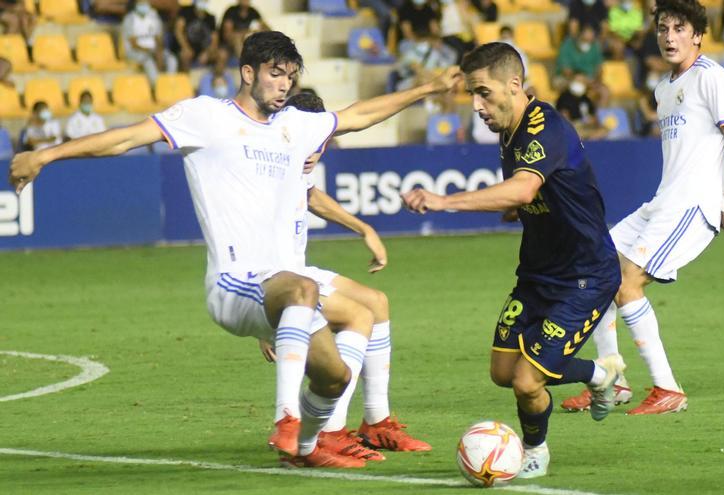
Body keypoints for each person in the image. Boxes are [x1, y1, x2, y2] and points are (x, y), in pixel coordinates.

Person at [8, 31, 460, 468]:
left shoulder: (295, 126)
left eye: (290, 76)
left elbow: (360, 115)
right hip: (235, 280)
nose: (284, 85)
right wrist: (46, 155)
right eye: (274, 73)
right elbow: (125, 138)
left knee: (349, 348)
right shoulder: (205, 117)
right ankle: (287, 419)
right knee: (302, 289)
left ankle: (319, 441)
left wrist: (429, 87)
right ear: (247, 72)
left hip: (285, 278)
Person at [401, 42, 625, 479]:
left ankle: (535, 452)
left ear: (514, 84)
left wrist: (446, 201)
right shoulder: (508, 131)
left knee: (528, 381)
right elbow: (529, 196)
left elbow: (524, 189)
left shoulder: (546, 127)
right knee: (503, 372)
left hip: (586, 276)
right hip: (538, 275)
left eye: (483, 92)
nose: (477, 105)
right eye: (472, 94)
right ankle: (600, 373)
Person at [562, 0, 724, 415]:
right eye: (663, 28)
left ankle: (667, 389)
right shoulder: (664, 88)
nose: (669, 36)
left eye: (680, 28)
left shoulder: (712, 79)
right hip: (664, 202)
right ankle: (613, 382)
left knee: (626, 283)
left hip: (692, 207)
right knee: (596, 269)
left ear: (698, 35)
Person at [258, 92, 433, 461]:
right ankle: (330, 431)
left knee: (377, 302)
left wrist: (363, 228)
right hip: (278, 278)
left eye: (320, 143)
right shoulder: (266, 166)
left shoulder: (294, 165)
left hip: (298, 269)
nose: (316, 150)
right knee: (361, 315)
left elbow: (312, 197)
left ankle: (376, 422)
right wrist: (263, 320)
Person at [122, 0, 179, 84]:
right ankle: (156, 85)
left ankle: (170, 83)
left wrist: (159, 51)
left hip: (153, 49)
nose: (144, 5)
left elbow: (158, 38)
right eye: (141, 3)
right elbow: (133, 43)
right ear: (135, 4)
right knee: (148, 60)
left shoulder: (153, 16)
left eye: (145, 3)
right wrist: (151, 51)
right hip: (135, 51)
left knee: (172, 59)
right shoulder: (129, 19)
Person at [173, 0, 219, 71]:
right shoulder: (185, 11)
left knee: (219, 55)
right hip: (187, 48)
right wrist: (186, 48)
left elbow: (214, 40)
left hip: (203, 50)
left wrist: (207, 53)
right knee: (184, 55)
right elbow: (178, 31)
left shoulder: (211, 18)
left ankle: (216, 80)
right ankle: (186, 80)